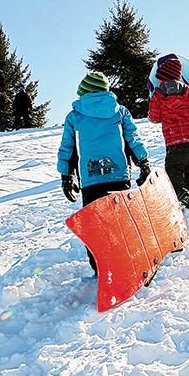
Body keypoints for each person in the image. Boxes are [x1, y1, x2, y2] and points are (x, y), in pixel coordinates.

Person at [57, 71, 151, 274]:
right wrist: (143, 163)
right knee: (121, 221)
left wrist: (66, 176)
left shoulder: (75, 116)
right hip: (118, 176)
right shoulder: (120, 112)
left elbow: (68, 148)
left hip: (91, 179)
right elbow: (133, 139)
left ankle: (101, 269)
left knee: (95, 227)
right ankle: (128, 263)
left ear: (84, 91)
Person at [148, 57, 189, 213]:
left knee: (172, 171)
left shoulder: (159, 94)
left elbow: (154, 117)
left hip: (175, 139)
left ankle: (182, 195)